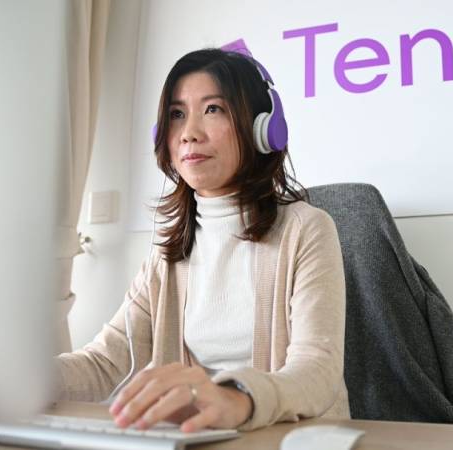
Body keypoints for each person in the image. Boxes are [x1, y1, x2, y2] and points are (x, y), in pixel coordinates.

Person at [56, 48, 349, 432]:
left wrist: (237, 398)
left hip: (291, 437)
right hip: (201, 437)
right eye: (176, 114)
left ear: (262, 128)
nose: (189, 133)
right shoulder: (166, 255)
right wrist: (21, 378)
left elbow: (317, 369)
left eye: (213, 109)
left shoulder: (306, 229)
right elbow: (106, 363)